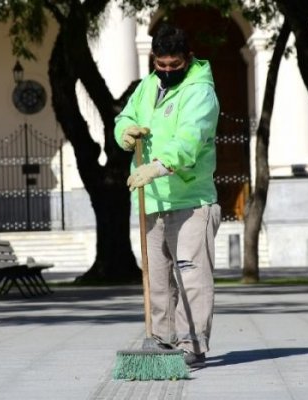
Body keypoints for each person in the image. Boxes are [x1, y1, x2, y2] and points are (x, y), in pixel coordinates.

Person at [114, 23, 221, 368]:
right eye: (161, 66)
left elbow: (189, 142)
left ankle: (193, 345)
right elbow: (126, 116)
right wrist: (124, 133)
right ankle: (162, 342)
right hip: (152, 201)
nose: (167, 72)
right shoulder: (147, 86)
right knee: (156, 278)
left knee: (191, 275)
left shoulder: (201, 92)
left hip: (191, 200)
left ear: (188, 59)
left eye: (174, 66)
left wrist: (156, 167)